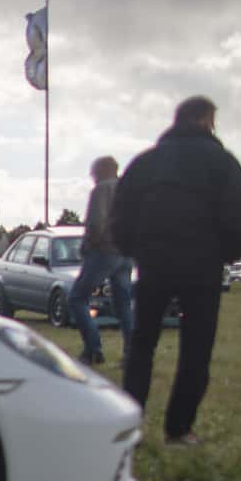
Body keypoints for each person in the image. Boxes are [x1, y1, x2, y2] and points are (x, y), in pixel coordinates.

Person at [113, 95, 241, 447]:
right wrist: (225, 253)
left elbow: (121, 210)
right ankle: (178, 428)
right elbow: (240, 212)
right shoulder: (222, 163)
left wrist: (134, 249)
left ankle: (130, 423)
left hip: (153, 262)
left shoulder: (146, 163)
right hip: (201, 265)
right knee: (196, 348)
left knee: (142, 344)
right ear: (206, 120)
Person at [65, 156, 135, 365]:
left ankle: (93, 349)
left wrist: (90, 245)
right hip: (126, 253)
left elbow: (96, 221)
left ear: (102, 170)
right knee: (124, 304)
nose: (92, 177)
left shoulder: (101, 190)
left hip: (104, 251)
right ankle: (131, 353)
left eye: (93, 172)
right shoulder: (129, 189)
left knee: (77, 298)